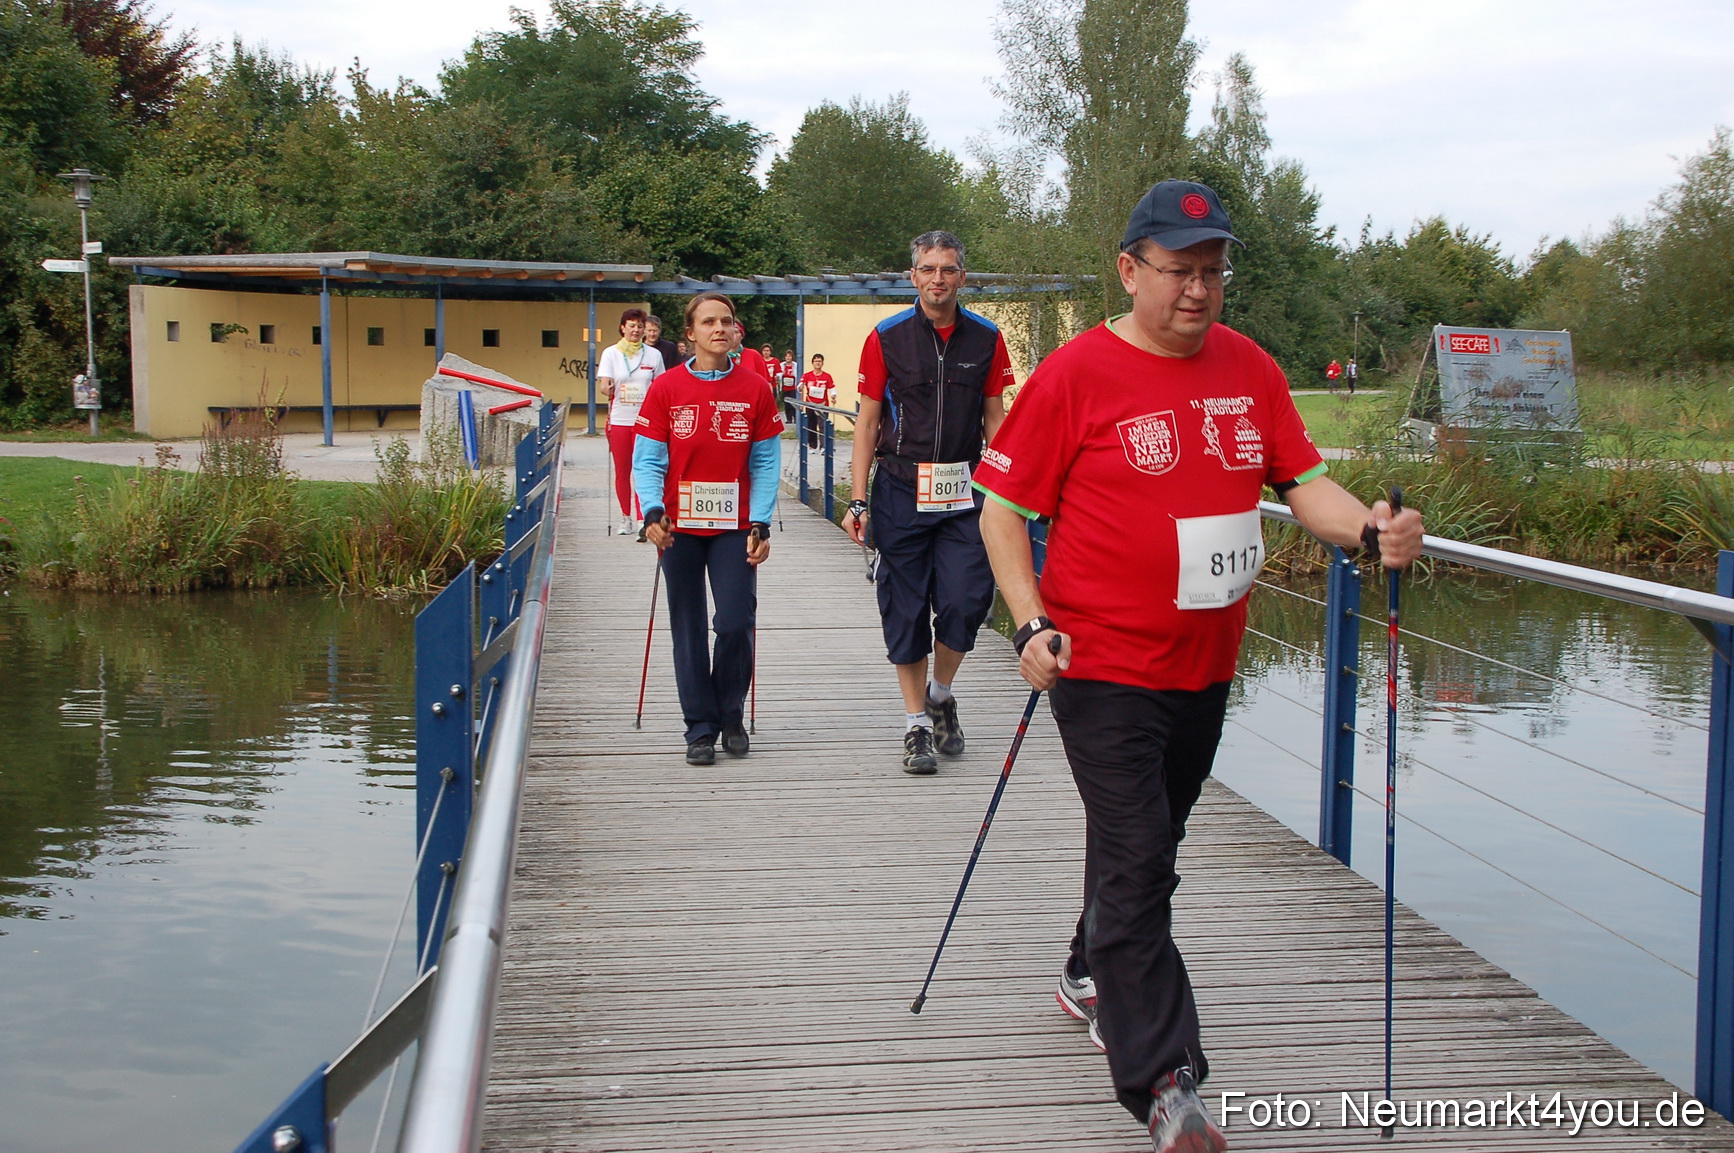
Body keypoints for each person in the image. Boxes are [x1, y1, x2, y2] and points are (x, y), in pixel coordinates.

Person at [973, 179, 1423, 1153]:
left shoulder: (1250, 369)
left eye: (1214, 271)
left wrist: (1372, 529)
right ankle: (1167, 1083)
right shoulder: (1078, 374)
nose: (1199, 289)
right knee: (1142, 856)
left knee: (1147, 839)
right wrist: (1027, 622)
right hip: (1097, 660)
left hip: (1205, 665)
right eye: (1180, 270)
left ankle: (1088, 966)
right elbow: (1002, 508)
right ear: (1131, 270)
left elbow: (1305, 484)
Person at [845, 229, 1016, 774]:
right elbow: (868, 422)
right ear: (913, 275)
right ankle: (917, 723)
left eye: (948, 269)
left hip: (966, 490)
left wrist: (1012, 489)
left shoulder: (987, 338)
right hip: (899, 487)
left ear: (962, 277)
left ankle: (942, 692)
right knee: (906, 607)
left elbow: (996, 419)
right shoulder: (887, 337)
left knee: (967, 600)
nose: (938, 279)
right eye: (928, 269)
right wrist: (856, 500)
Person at [632, 292, 784, 765]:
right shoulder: (666, 388)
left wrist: (761, 520)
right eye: (708, 322)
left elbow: (765, 460)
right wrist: (652, 511)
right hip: (679, 525)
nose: (719, 328)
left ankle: (730, 710)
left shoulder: (757, 388)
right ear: (691, 334)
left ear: (737, 330)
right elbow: (648, 459)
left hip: (735, 524)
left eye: (727, 321)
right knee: (689, 625)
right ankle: (699, 727)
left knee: (735, 620)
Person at [598, 308, 665, 535]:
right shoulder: (611, 353)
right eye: (632, 325)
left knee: (643, 468)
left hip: (646, 421)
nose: (636, 330)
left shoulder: (653, 355)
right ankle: (625, 517)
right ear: (622, 327)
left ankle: (642, 518)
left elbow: (661, 386)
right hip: (620, 419)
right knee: (622, 470)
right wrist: (606, 387)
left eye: (640, 326)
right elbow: (604, 385)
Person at [800, 353, 837, 449]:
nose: (818, 363)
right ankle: (812, 446)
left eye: (819, 361)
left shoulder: (827, 376)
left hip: (823, 404)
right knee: (811, 425)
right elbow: (800, 385)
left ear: (822, 363)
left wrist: (833, 395)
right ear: (812, 363)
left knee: (823, 425)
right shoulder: (807, 375)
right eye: (816, 361)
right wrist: (800, 387)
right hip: (810, 403)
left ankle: (823, 446)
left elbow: (832, 387)